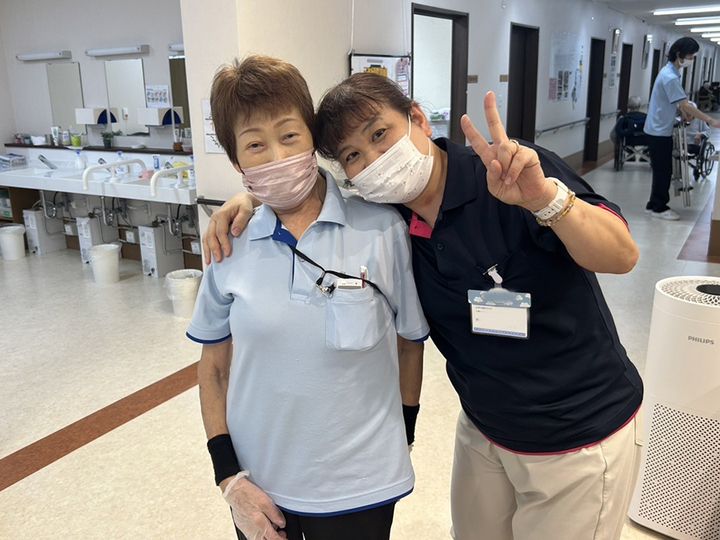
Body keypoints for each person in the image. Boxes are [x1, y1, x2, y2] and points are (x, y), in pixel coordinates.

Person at [205, 71, 643, 540]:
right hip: (486, 429)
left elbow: (622, 256)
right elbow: (304, 196)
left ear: (417, 118)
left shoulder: (504, 174)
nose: (375, 160)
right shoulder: (390, 218)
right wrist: (248, 199)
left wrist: (544, 200)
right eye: (353, 156)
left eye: (380, 134)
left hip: (576, 431)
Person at [189, 56, 428, 540]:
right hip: (260, 487)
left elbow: (410, 344)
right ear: (237, 163)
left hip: (361, 483)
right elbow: (213, 368)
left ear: (312, 140)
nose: (277, 156)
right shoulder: (228, 243)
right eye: (255, 145)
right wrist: (229, 477)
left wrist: (402, 433)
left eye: (289, 135)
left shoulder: (382, 228)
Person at [644, 37, 720, 220]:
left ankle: (653, 204)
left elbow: (677, 103)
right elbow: (685, 104)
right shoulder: (670, 77)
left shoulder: (670, 72)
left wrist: (682, 111)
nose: (691, 60)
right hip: (659, 131)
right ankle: (659, 208)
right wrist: (710, 120)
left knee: (661, 169)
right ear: (679, 54)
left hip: (659, 128)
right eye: (690, 56)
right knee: (664, 171)